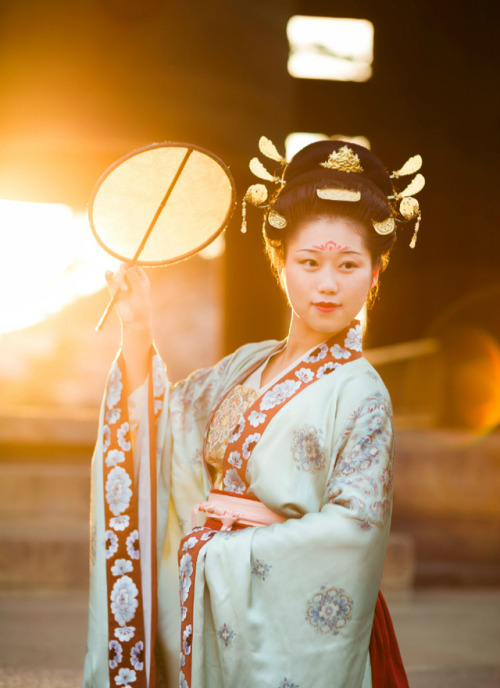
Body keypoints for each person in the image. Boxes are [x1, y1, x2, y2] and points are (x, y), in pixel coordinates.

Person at [82, 138, 423, 688]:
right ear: (280, 264)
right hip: (210, 602)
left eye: (349, 265)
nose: (328, 283)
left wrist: (223, 557)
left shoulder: (362, 391)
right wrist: (138, 326)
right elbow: (163, 427)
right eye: (309, 262)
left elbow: (354, 530)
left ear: (375, 273)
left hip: (283, 617)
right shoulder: (246, 364)